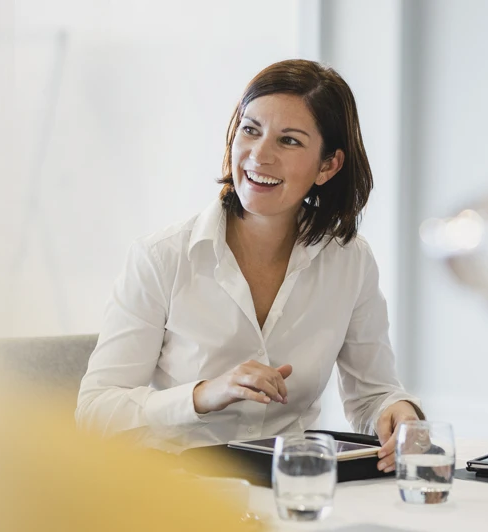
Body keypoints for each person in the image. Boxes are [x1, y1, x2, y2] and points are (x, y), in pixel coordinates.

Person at [76, 59, 422, 470]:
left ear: (328, 166)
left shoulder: (350, 260)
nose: (259, 155)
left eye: (289, 141)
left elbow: (372, 395)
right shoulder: (161, 257)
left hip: (295, 487)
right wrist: (205, 393)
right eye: (250, 130)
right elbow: (95, 412)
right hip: (181, 492)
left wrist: (398, 412)